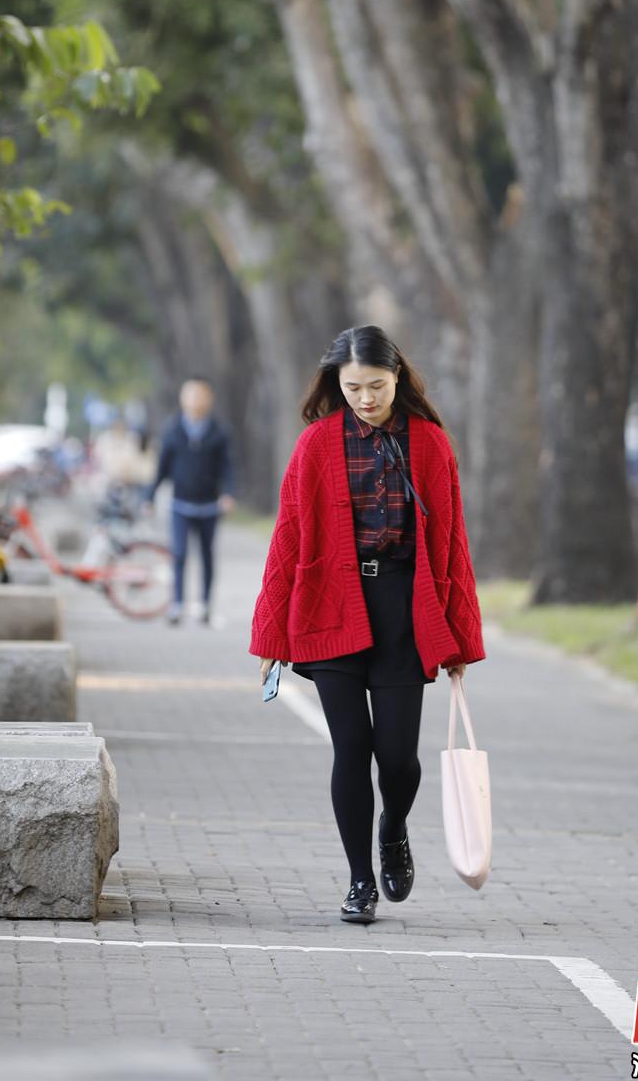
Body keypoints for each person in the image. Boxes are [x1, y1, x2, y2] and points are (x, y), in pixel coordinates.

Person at [250, 325, 485, 925]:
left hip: (404, 608)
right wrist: (271, 636)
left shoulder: (430, 444)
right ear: (338, 383)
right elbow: (287, 539)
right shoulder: (316, 444)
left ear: (397, 377)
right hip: (330, 604)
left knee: (399, 759)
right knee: (351, 748)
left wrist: (460, 634)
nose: (365, 398)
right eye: (353, 387)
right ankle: (360, 880)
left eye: (376, 385)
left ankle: (394, 826)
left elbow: (452, 543)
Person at [145, 377, 237, 625]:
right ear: (182, 398)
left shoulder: (219, 431)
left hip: (209, 506)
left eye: (201, 394)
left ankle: (205, 604)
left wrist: (228, 493)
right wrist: (149, 496)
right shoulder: (173, 430)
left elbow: (227, 467)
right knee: (179, 554)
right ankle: (177, 604)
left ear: (209, 399)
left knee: (207, 555)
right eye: (191, 394)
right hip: (180, 505)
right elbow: (162, 467)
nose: (196, 399)